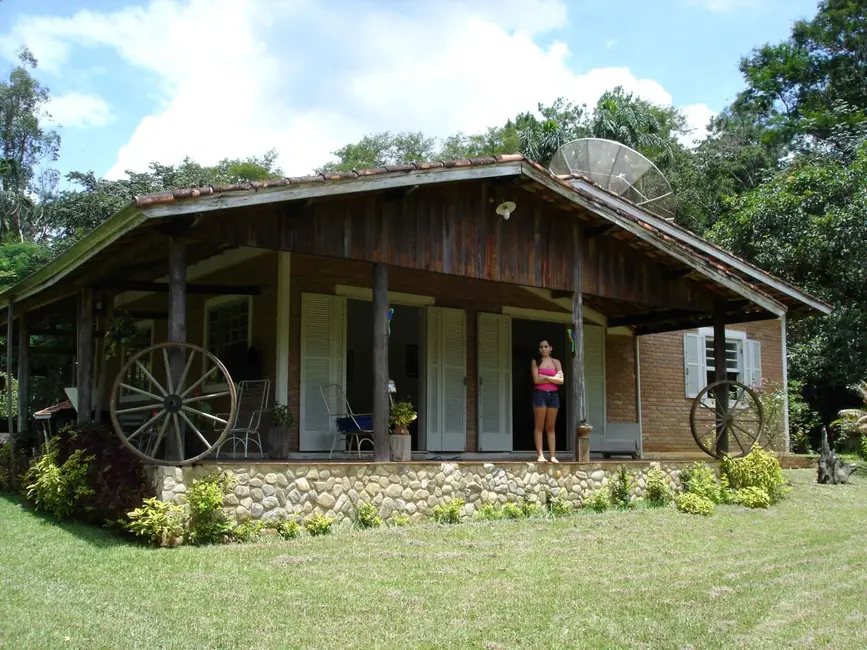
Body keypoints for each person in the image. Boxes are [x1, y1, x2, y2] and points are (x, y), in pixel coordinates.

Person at [531, 339, 564, 463]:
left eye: (545, 346)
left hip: (553, 395)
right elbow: (536, 380)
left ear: (551, 348)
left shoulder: (556, 363)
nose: (543, 349)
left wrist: (545, 377)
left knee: (550, 427)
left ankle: (553, 456)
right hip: (540, 394)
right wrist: (553, 378)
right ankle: (540, 455)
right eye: (541, 347)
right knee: (539, 426)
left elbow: (561, 381)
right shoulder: (535, 361)